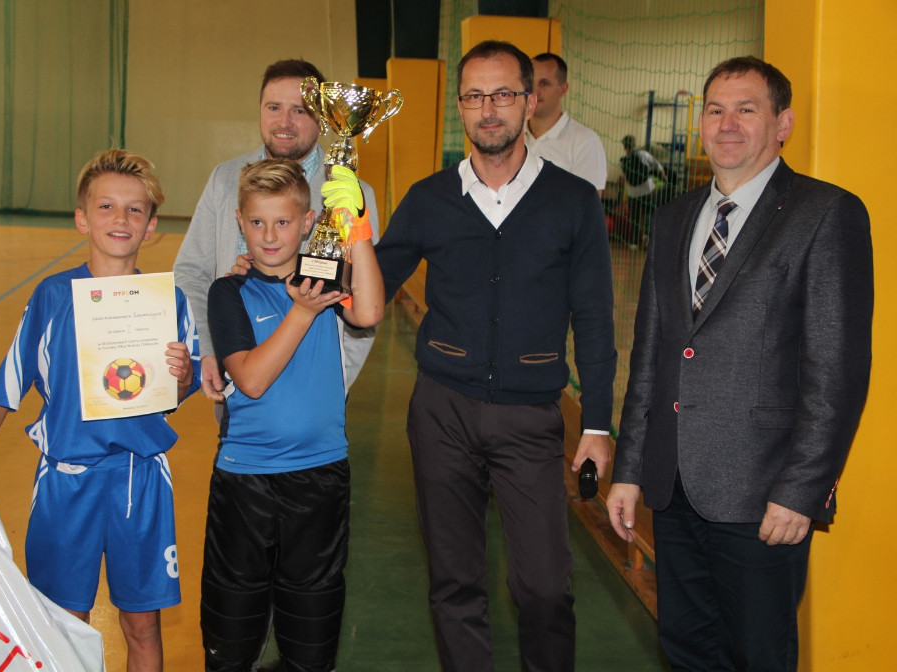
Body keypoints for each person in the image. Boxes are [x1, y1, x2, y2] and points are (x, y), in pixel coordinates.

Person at [606, 56, 873, 671]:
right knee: (686, 651)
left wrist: (801, 492)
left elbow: (836, 372)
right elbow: (650, 356)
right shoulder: (673, 218)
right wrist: (630, 469)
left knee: (759, 656)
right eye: (715, 110)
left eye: (746, 110)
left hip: (763, 496)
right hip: (673, 488)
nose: (727, 124)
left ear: (783, 124)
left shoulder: (824, 214)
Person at [374, 40, 617, 672]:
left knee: (544, 588)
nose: (489, 109)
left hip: (530, 417)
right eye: (476, 96)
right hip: (441, 412)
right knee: (454, 583)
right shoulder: (429, 198)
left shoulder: (573, 201)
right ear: (460, 107)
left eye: (504, 94)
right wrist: (305, 261)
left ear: (530, 101)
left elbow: (594, 317)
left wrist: (596, 424)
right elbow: (368, 290)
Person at [0, 149, 202, 671]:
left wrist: (181, 378)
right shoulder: (52, 296)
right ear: (83, 219)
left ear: (151, 226)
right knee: (64, 624)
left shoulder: (169, 303)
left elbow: (177, 393)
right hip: (66, 483)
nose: (121, 218)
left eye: (135, 209)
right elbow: (5, 386)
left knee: (142, 625)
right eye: (106, 206)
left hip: (140, 480)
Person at [200, 159, 384, 672]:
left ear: (307, 223)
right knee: (231, 635)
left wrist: (358, 230)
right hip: (245, 481)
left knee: (311, 635)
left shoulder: (323, 277)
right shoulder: (229, 292)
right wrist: (302, 311)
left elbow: (369, 312)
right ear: (240, 221)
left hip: (319, 476)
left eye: (283, 222)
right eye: (257, 222)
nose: (269, 235)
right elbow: (251, 380)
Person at [173, 58, 381, 404]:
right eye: (274, 107)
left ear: (323, 119)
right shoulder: (225, 180)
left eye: (300, 110)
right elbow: (191, 271)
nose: (284, 122)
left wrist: (335, 382)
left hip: (314, 394)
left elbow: (366, 303)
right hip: (235, 383)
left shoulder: (352, 196)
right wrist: (208, 349)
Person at [525, 52, 607, 195]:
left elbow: (588, 205)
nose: (535, 91)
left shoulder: (585, 141)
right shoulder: (512, 134)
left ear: (563, 89)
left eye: (544, 83)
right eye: (530, 83)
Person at [620, 134, 666, 249]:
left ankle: (635, 243)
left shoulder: (623, 161)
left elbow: (625, 179)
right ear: (634, 144)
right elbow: (657, 165)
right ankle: (647, 236)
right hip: (647, 190)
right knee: (648, 214)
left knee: (634, 218)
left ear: (624, 147)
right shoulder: (643, 154)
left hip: (632, 193)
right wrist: (664, 177)